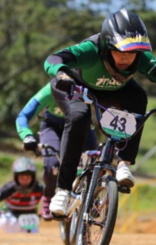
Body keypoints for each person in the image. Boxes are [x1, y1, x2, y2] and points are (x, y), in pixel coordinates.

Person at [43, 8, 156, 216]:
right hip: (75, 87)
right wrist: (61, 75)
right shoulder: (90, 49)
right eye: (120, 52)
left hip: (115, 91)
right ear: (106, 45)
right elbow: (53, 58)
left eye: (132, 53)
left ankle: (124, 162)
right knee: (79, 118)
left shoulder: (141, 58)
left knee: (139, 98)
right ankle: (63, 190)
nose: (126, 59)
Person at [16, 83, 98, 220]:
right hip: (53, 128)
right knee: (52, 163)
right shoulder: (51, 89)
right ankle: (48, 196)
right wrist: (27, 136)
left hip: (81, 127)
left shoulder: (89, 85)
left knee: (94, 162)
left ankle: (93, 198)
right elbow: (23, 116)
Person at [0, 157, 44, 233]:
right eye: (22, 177)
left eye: (28, 177)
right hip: (10, 219)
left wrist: (44, 210)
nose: (25, 180)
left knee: (33, 234)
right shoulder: (9, 188)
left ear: (33, 177)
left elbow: (51, 200)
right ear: (16, 177)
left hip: (30, 222)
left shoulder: (40, 189)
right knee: (10, 223)